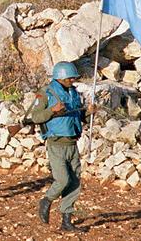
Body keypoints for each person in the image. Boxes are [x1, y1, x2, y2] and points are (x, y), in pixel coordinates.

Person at [30, 61, 86, 233]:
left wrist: (87, 112)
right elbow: (35, 117)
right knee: (62, 180)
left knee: (75, 182)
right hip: (56, 144)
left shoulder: (73, 93)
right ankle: (46, 200)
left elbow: (77, 114)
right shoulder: (46, 93)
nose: (73, 80)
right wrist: (52, 111)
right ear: (61, 77)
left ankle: (67, 220)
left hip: (72, 143)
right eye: (70, 78)